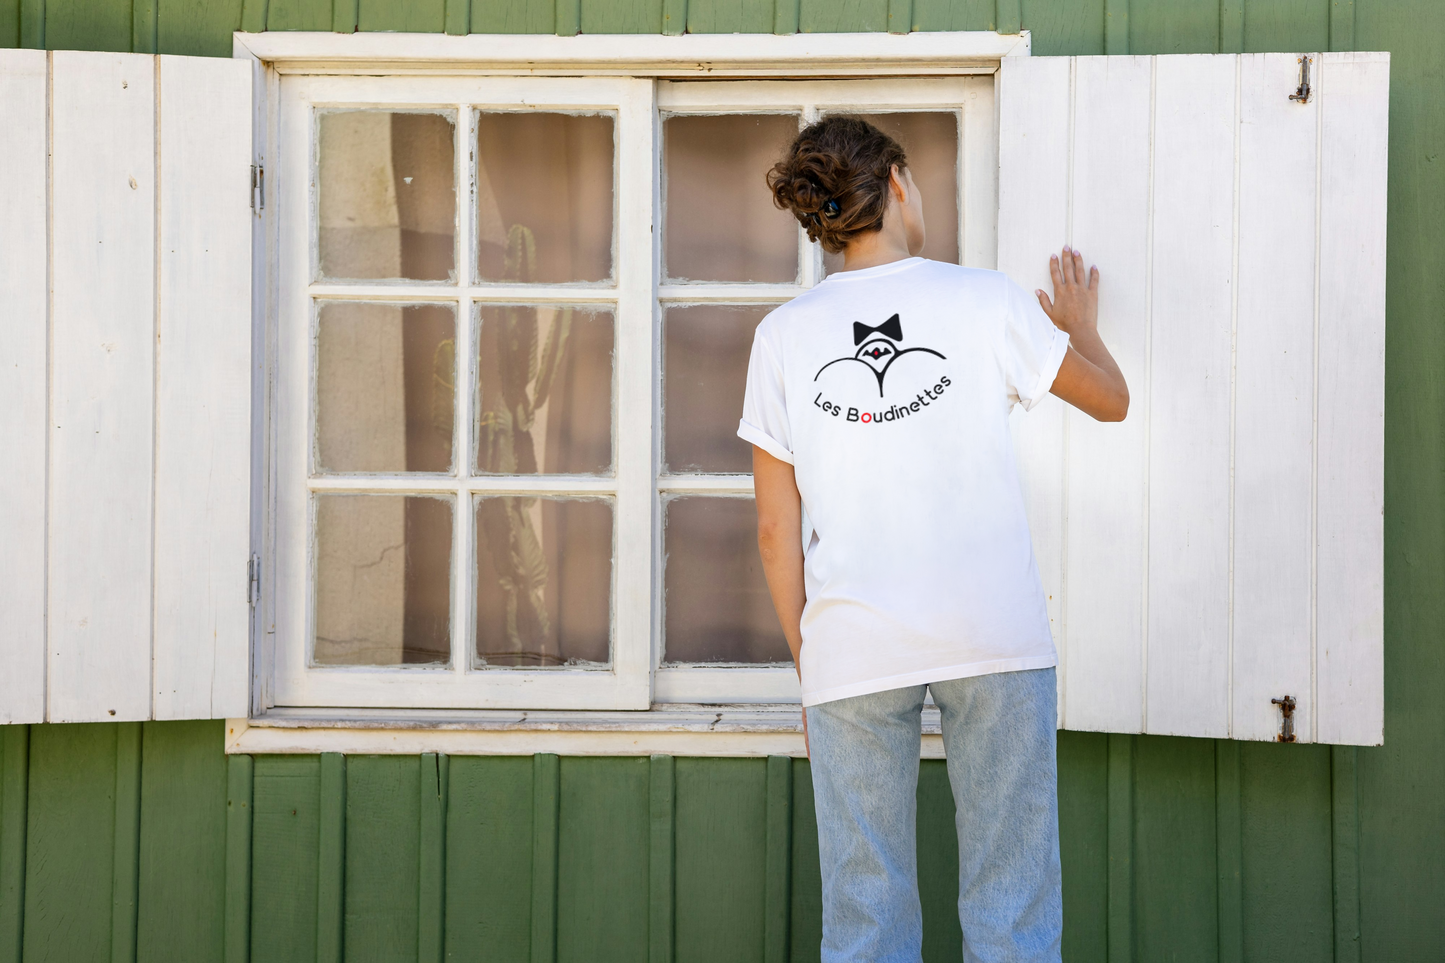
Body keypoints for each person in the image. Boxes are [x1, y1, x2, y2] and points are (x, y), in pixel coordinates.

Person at [740, 116, 1128, 962]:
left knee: (865, 914)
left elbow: (775, 528)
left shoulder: (781, 336)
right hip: (992, 633)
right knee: (1011, 902)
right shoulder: (983, 298)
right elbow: (1110, 400)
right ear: (898, 186)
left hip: (851, 643)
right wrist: (1077, 326)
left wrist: (813, 670)